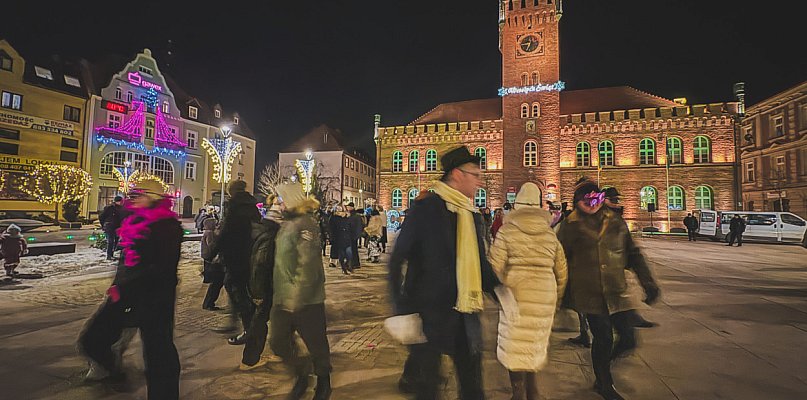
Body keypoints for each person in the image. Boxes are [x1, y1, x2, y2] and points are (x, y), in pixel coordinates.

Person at [388, 146, 499, 400]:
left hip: (466, 313)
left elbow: (480, 263)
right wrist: (400, 311)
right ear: (457, 175)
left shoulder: (472, 215)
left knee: (473, 387)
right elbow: (396, 260)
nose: (479, 181)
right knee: (428, 387)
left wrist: (499, 289)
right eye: (475, 175)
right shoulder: (426, 208)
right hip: (428, 314)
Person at [556, 179, 660, 400]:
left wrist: (648, 282)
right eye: (588, 200)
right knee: (602, 338)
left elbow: (633, 254)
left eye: (598, 198)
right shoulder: (569, 226)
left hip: (616, 291)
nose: (594, 203)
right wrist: (561, 294)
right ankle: (603, 382)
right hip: (589, 293)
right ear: (577, 202)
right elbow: (559, 261)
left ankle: (602, 367)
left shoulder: (615, 221)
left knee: (628, 339)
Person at [78, 180, 182, 399]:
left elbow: (162, 268)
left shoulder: (167, 226)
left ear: (153, 197)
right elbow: (126, 262)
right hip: (125, 293)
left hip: (154, 299)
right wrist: (118, 285)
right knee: (92, 338)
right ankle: (112, 368)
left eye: (138, 194)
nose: (132, 197)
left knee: (159, 354)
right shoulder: (133, 220)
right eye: (131, 194)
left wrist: (129, 286)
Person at [488, 183, 568, 400]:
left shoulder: (507, 231)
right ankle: (533, 391)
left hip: (516, 293)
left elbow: (494, 267)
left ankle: (517, 392)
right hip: (544, 294)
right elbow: (561, 270)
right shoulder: (549, 234)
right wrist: (557, 299)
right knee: (534, 344)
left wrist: (498, 292)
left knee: (514, 346)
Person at [270, 183, 332, 400]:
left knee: (316, 345)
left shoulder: (307, 224)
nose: (279, 203)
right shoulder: (287, 224)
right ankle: (302, 373)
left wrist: (296, 298)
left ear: (293, 201)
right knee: (278, 342)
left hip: (306, 299)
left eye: (281, 199)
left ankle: (324, 382)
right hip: (282, 296)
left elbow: (308, 265)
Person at [213, 180, 260, 346]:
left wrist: (213, 251)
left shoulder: (233, 206)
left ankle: (249, 328)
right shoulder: (251, 206)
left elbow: (226, 231)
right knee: (238, 288)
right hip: (249, 253)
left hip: (235, 254)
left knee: (237, 290)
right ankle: (236, 322)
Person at [240, 198, 282, 370]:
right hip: (266, 286)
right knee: (260, 321)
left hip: (267, 284)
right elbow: (260, 264)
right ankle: (250, 360)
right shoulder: (270, 236)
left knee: (271, 320)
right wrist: (258, 292)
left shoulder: (264, 230)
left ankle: (280, 350)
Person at [201, 218, 226, 311]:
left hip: (216, 262)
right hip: (217, 262)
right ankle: (208, 303)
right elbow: (212, 245)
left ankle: (208, 303)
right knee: (217, 283)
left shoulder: (214, 233)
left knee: (216, 283)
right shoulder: (212, 233)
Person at [99, 195, 125, 260]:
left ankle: (111, 253)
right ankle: (109, 255)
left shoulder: (122, 209)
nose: (121, 203)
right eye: (120, 201)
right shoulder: (110, 208)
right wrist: (103, 225)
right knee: (111, 241)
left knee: (116, 241)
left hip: (117, 227)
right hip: (109, 226)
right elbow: (102, 216)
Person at [332, 206, 355, 275]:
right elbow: (333, 230)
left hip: (347, 239)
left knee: (349, 254)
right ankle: (344, 268)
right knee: (341, 255)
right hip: (339, 239)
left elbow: (351, 227)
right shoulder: (335, 219)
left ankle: (347, 265)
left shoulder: (347, 219)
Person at [346, 203, 364, 269]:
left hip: (353, 235)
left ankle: (354, 263)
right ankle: (353, 262)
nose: (347, 208)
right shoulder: (352, 215)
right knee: (352, 249)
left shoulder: (355, 216)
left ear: (351, 207)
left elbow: (357, 226)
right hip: (351, 235)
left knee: (353, 249)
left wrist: (357, 235)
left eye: (348, 207)